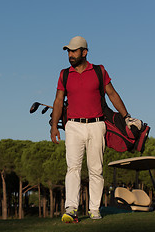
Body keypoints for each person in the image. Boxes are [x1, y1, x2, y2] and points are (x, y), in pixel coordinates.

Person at [50, 36, 141, 222]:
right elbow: (58, 101)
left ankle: (94, 209)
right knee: (73, 168)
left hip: (97, 125)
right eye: (68, 51)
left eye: (74, 51)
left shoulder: (99, 71)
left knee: (96, 170)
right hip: (73, 126)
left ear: (84, 52)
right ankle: (71, 208)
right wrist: (54, 126)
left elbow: (112, 94)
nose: (70, 54)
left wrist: (126, 117)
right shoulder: (64, 74)